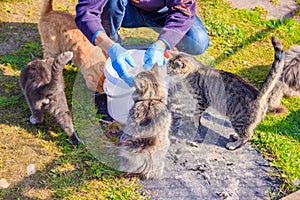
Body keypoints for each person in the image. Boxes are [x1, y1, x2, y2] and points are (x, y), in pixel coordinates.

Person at [75, 0, 210, 87]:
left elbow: (182, 11)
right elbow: (86, 13)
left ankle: (164, 48)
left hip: (162, 11)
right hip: (124, 9)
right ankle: (113, 53)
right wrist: (109, 46)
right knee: (110, 5)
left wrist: (164, 43)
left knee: (197, 41)